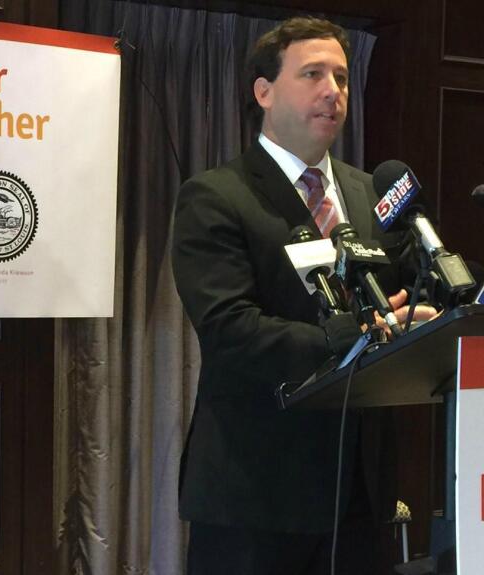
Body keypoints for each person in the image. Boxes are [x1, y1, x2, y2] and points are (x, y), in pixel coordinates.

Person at [171, 17, 435, 575]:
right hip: (257, 493)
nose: (332, 91)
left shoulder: (372, 192)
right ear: (263, 92)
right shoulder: (217, 196)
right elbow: (229, 328)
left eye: (340, 76)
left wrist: (420, 319)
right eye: (312, 73)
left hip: (360, 494)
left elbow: (415, 291)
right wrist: (354, 336)